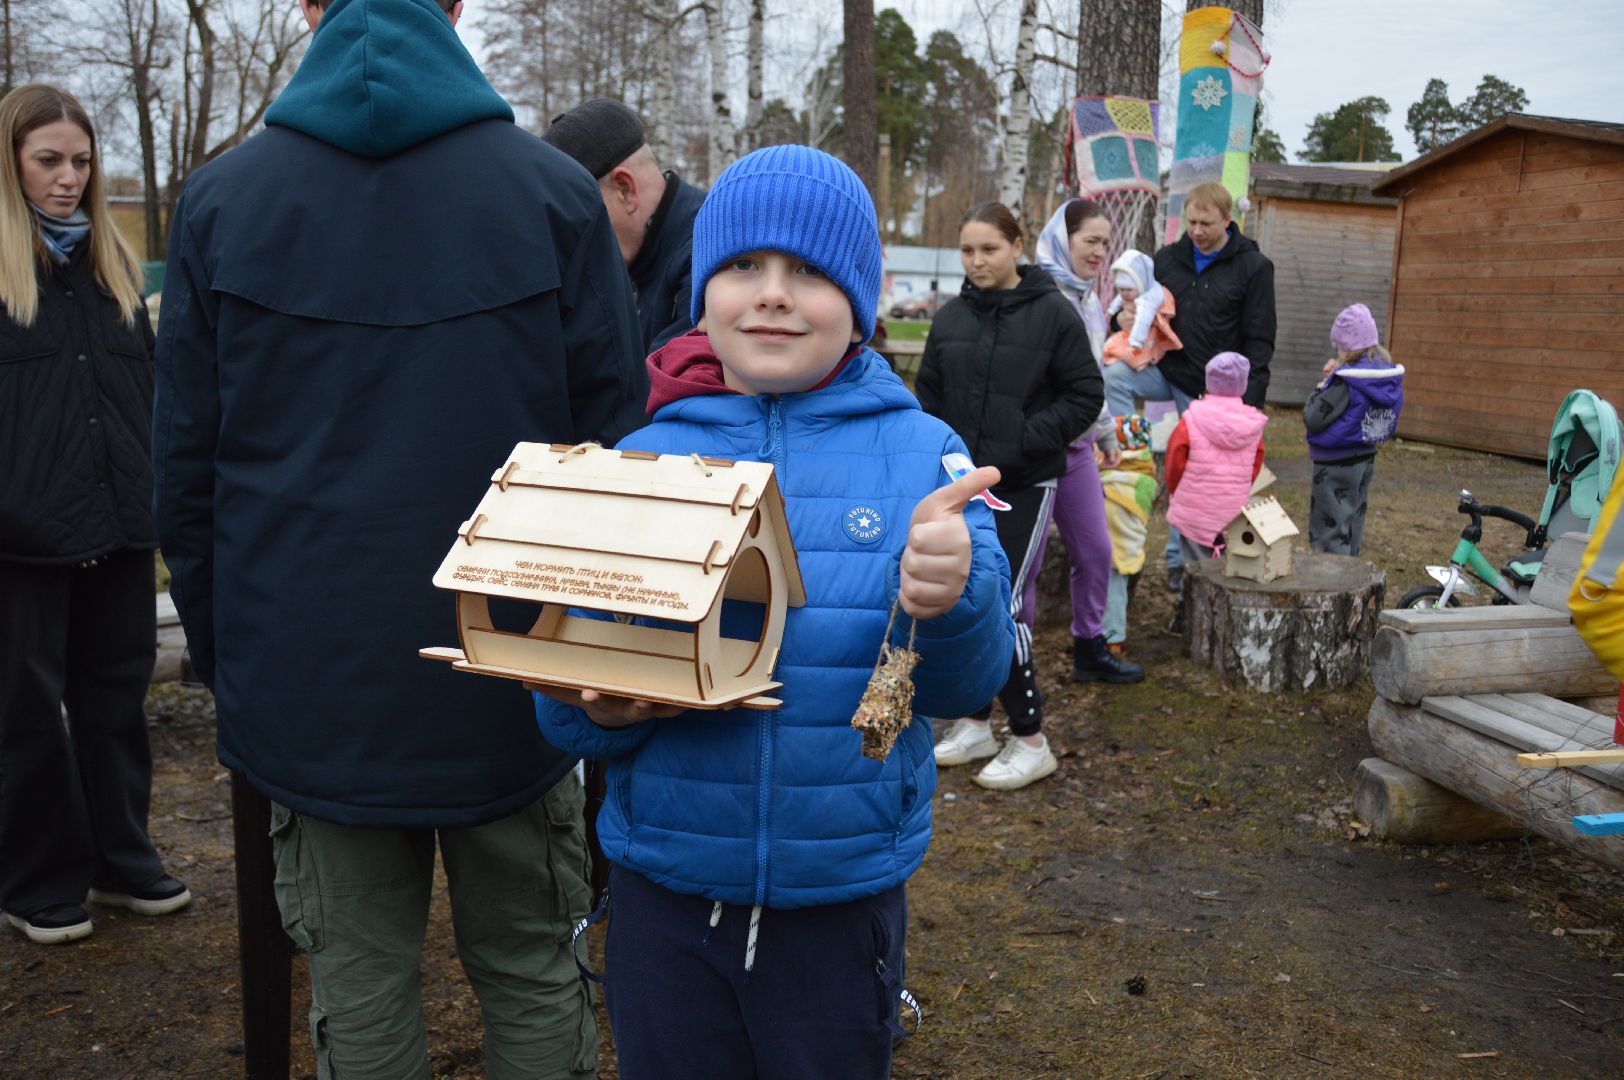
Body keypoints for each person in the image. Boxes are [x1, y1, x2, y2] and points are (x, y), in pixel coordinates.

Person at [152, 0, 646, 1075]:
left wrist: (237, 663)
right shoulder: (554, 193)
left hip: (313, 678)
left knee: (359, 980)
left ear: (305, 5)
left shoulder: (223, 201)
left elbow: (184, 474)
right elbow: (614, 455)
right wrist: (590, 657)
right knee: (528, 962)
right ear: (458, 4)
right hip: (515, 660)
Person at [533, 145, 1015, 1080]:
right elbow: (567, 696)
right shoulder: (645, 458)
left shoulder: (925, 455)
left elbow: (968, 680)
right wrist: (596, 704)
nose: (773, 295)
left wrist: (951, 597)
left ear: (861, 300)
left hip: (839, 906)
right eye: (743, 267)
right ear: (702, 291)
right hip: (665, 895)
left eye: (810, 273)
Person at [0, 83, 191, 946]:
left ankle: (122, 856)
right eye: (49, 161)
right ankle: (37, 877)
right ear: (11, 165)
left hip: (118, 528)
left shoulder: (112, 275)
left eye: (80, 161)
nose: (68, 179)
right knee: (26, 713)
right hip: (21, 538)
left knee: (115, 699)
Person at [918, 202, 1104, 791]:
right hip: (959, 485)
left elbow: (1084, 393)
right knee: (968, 597)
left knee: (1001, 601)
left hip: (1024, 481)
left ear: (1017, 246)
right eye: (968, 250)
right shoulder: (949, 318)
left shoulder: (1052, 314)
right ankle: (976, 723)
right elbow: (927, 396)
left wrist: (1022, 442)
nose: (977, 261)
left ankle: (1030, 738)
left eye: (989, 249)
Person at [1032, 199, 1144, 683]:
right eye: (1090, 241)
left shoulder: (1090, 299)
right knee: (1026, 562)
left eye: (1105, 243)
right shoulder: (1034, 295)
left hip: (1077, 450)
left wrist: (1103, 433)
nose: (1100, 252)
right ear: (1064, 238)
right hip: (1036, 451)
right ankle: (1016, 660)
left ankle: (1089, 647)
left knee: (1096, 550)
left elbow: (1090, 377)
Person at [1151, 182, 1277, 591]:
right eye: (1190, 221)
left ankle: (1182, 568)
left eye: (1206, 223)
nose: (1197, 230)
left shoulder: (1253, 267)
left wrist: (1250, 402)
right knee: (1116, 378)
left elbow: (1260, 338)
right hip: (1169, 370)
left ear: (1228, 220)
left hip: (1214, 392)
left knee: (1196, 477)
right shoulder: (1168, 259)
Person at [543, 98, 705, 352]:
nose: (573, 240)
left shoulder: (706, 258)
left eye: (578, 218)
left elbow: (663, 386)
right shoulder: (646, 255)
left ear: (625, 189)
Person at [1303, 303, 1405, 556]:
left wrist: (1322, 386)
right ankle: (1351, 570)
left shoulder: (1345, 383)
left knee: (1330, 526)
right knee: (1353, 520)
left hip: (1335, 464)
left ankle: (1332, 580)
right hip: (1365, 456)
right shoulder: (1382, 374)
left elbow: (1314, 418)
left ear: (1346, 346)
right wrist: (1337, 375)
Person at [1164, 352, 1268, 574]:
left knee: (1194, 566)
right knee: (1227, 564)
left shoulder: (1191, 418)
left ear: (1208, 382)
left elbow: (1175, 460)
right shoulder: (1251, 424)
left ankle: (1191, 603)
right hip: (1232, 509)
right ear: (1243, 385)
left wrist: (1176, 489)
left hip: (1195, 510)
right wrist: (1240, 486)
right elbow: (1256, 463)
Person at [1100, 249, 1182, 409]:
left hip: (1148, 341)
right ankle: (1126, 431)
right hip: (1147, 357)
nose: (1124, 294)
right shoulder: (1166, 259)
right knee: (1112, 372)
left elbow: (1144, 318)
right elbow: (1117, 304)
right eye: (1121, 290)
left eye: (1128, 290)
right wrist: (1113, 315)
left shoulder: (1148, 298)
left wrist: (1136, 340)